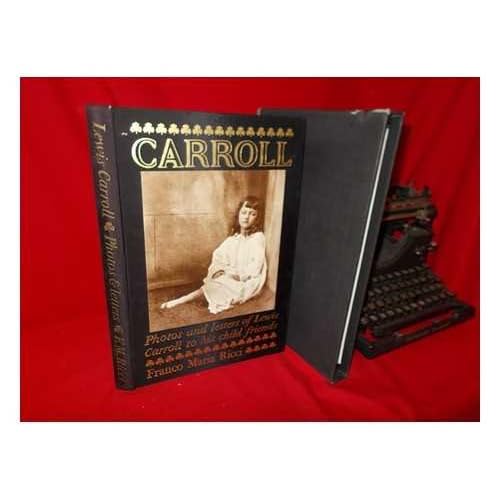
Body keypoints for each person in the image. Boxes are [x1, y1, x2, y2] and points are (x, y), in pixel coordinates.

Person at [160, 195, 267, 314]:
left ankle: (181, 300)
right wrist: (221, 270)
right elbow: (218, 256)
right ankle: (183, 299)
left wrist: (235, 275)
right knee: (217, 281)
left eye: (252, 214)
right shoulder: (234, 239)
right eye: (244, 212)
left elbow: (255, 267)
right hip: (231, 275)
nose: (246, 217)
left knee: (217, 286)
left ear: (257, 218)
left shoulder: (257, 238)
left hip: (247, 281)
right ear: (238, 214)